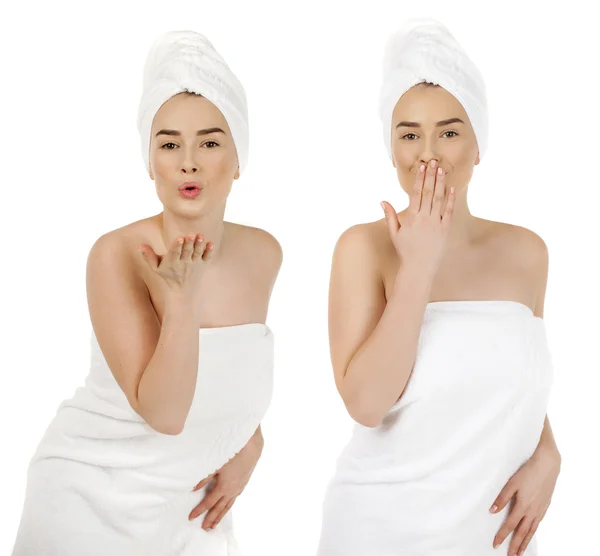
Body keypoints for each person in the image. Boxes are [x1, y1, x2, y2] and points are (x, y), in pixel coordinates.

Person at [12, 30, 282, 556]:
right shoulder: (117, 255)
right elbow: (164, 414)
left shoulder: (264, 253)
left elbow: (234, 373)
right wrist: (181, 302)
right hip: (91, 499)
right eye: (168, 143)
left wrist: (251, 440)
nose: (188, 162)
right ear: (149, 161)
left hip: (189, 505)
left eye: (209, 141)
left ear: (238, 157)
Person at [316, 18, 561, 556]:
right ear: (392, 148)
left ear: (478, 145)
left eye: (449, 132)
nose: (428, 153)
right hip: (381, 533)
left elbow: (509, 381)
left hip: (492, 536)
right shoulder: (364, 248)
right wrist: (418, 270)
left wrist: (549, 453)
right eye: (409, 134)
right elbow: (366, 404)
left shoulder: (527, 253)